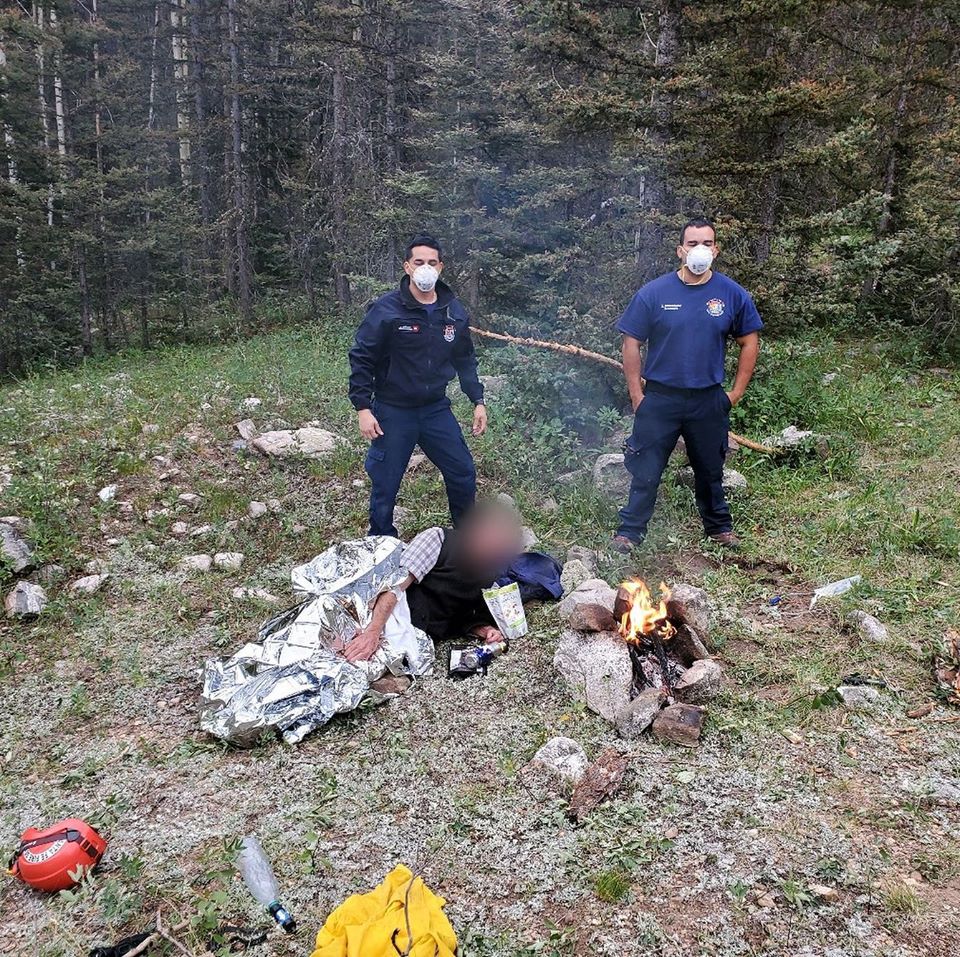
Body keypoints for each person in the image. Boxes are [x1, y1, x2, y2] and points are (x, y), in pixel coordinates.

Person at [613, 217, 763, 551]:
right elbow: (631, 342)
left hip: (707, 399)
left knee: (710, 469)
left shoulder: (731, 294)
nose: (699, 250)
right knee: (646, 468)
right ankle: (630, 532)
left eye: (707, 243)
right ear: (680, 250)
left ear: (716, 250)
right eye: (692, 243)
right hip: (661, 398)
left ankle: (719, 529)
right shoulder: (654, 293)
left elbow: (749, 342)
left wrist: (735, 393)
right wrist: (638, 394)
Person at [348, 234, 488, 536]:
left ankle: (466, 539)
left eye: (432, 263)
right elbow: (362, 357)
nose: (426, 268)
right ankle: (381, 542)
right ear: (407, 267)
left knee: (462, 471)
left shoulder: (453, 311)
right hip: (392, 409)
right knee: (386, 482)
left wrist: (477, 400)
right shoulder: (387, 310)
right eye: (419, 262)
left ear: (441, 267)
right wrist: (362, 407)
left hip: (435, 409)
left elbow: (465, 358)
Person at [343, 500, 522, 663]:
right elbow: (393, 586)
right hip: (387, 611)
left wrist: (485, 631)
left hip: (415, 637)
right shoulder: (439, 540)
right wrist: (372, 632)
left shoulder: (488, 577)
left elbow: (463, 617)